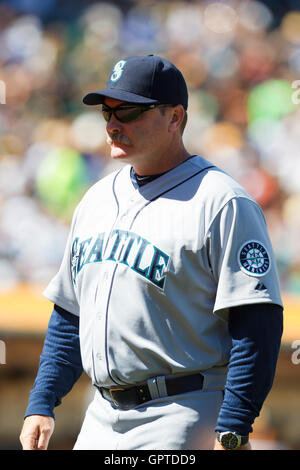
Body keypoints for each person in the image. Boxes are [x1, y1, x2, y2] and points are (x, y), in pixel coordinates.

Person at [20, 54, 283, 451]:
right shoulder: (95, 200)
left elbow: (257, 323)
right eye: (107, 112)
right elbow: (70, 315)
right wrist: (42, 402)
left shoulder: (221, 201)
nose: (112, 124)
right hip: (101, 415)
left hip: (184, 411)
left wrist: (233, 426)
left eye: (128, 111)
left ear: (175, 117)